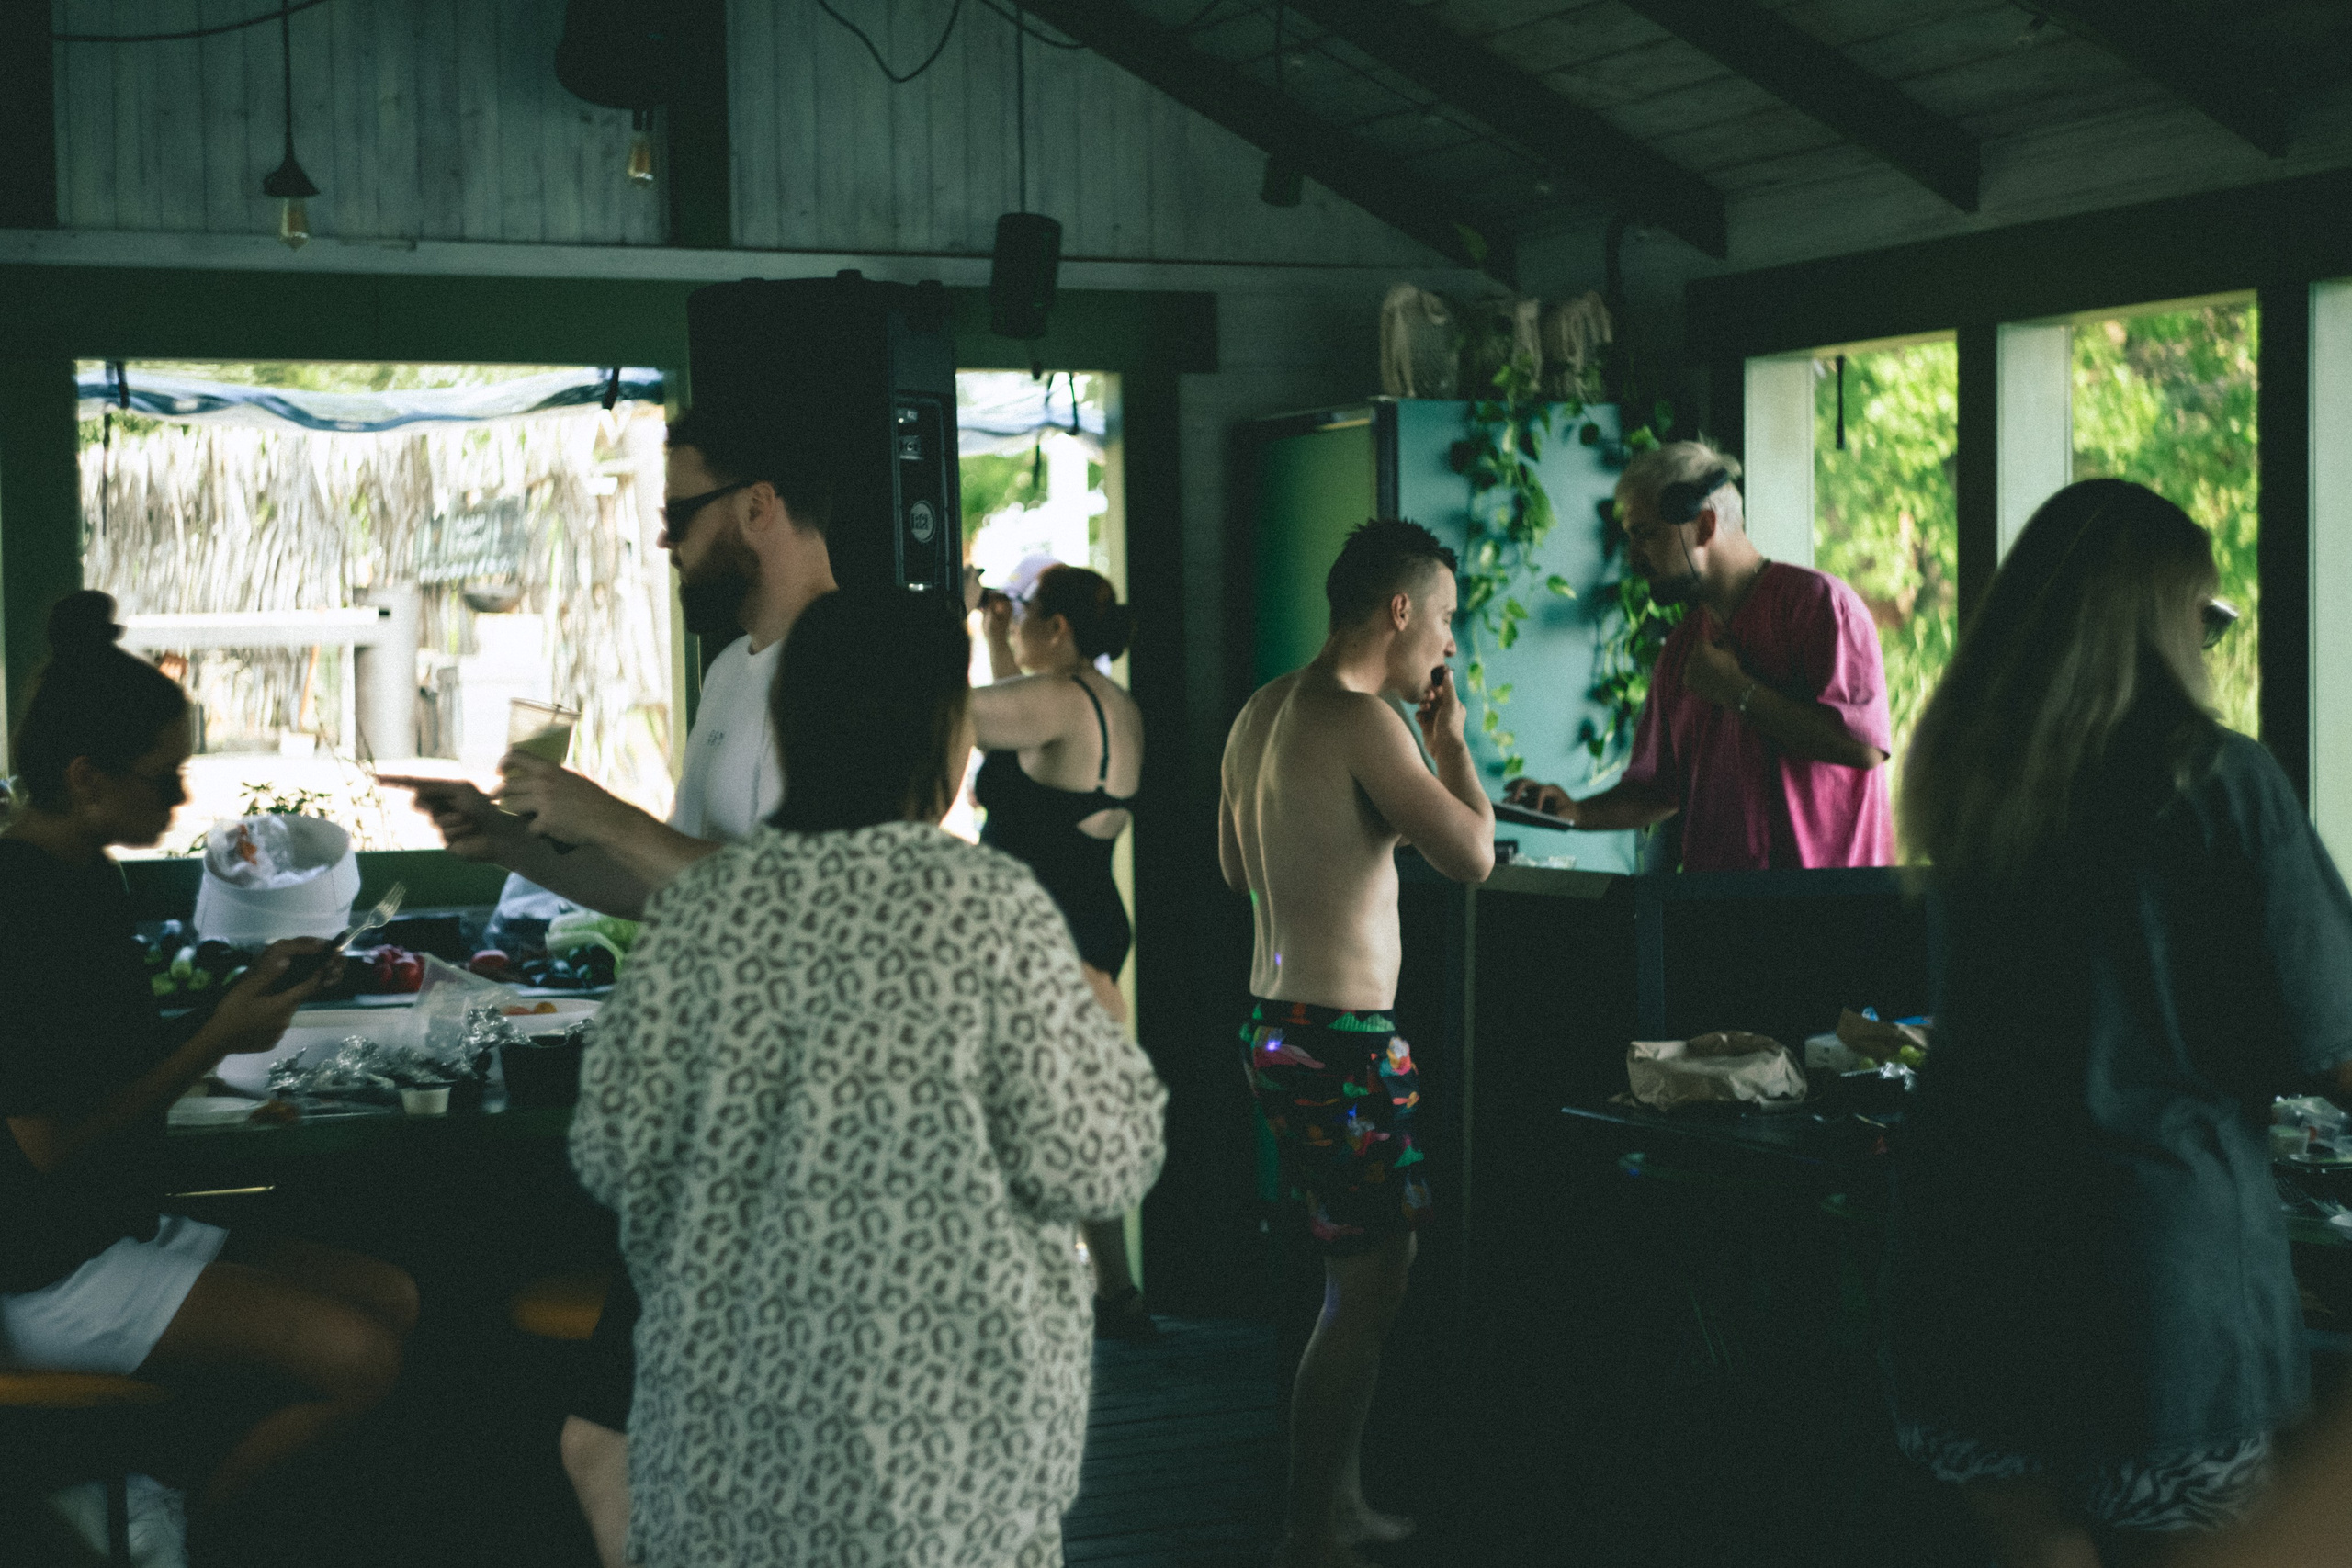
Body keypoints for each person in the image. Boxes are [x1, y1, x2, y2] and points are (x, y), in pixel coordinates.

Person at [569, 585, 1166, 1567]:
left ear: (790, 726)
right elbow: (1098, 1167)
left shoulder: (706, 910)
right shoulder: (993, 912)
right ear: (947, 747)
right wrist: (1104, 1043)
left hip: (731, 1446)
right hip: (949, 1457)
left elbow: (613, 1149)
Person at [380, 405, 838, 1568]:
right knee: (619, 1445)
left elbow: (808, 906)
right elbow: (672, 888)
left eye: (679, 512)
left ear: (758, 505)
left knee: (633, 1446)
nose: (662, 538)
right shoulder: (733, 672)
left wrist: (605, 813)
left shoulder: (853, 674)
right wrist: (519, 845)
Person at [1883, 479, 2352, 1565]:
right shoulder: (2217, 779)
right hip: (2154, 1302)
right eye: (2207, 616)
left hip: (1966, 1274)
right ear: (2161, 620)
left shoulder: (1969, 781)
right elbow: (2332, 1039)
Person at [0, 592, 417, 1554]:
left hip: (115, 1223)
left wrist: (239, 995)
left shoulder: (84, 874)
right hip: (49, 1270)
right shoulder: (21, 905)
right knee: (363, 1359)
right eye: (165, 776)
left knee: (392, 1295)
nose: (182, 798)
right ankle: (176, 1531)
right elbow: (48, 1146)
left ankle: (166, 1486)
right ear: (86, 776)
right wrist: (217, 1037)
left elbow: (104, 1059)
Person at [1218, 518, 1495, 1568]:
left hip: (1274, 1025)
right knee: (1367, 1288)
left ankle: (1334, 1504)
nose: (1449, 642)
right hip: (1339, 1040)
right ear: (1399, 608)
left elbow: (1234, 867)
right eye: (1446, 617)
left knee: (1355, 1278)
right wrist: (1452, 747)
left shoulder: (1262, 710)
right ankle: (1312, 1526)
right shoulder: (1364, 719)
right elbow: (1471, 854)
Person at [1504, 441, 1894, 870]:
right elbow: (1658, 790)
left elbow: (1864, 747)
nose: (1633, 558)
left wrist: (1737, 691)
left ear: (1705, 526)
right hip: (1714, 906)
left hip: (1830, 904)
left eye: (1645, 534)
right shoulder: (1681, 647)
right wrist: (1577, 812)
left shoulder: (1819, 604)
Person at [965, 559, 1154, 1338]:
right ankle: (1117, 1294)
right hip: (1089, 920)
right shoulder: (1109, 702)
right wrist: (993, 638)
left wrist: (953, 615)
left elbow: (945, 711)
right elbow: (1027, 743)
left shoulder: (1056, 699)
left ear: (1058, 627)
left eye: (1022, 611)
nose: (1012, 621)